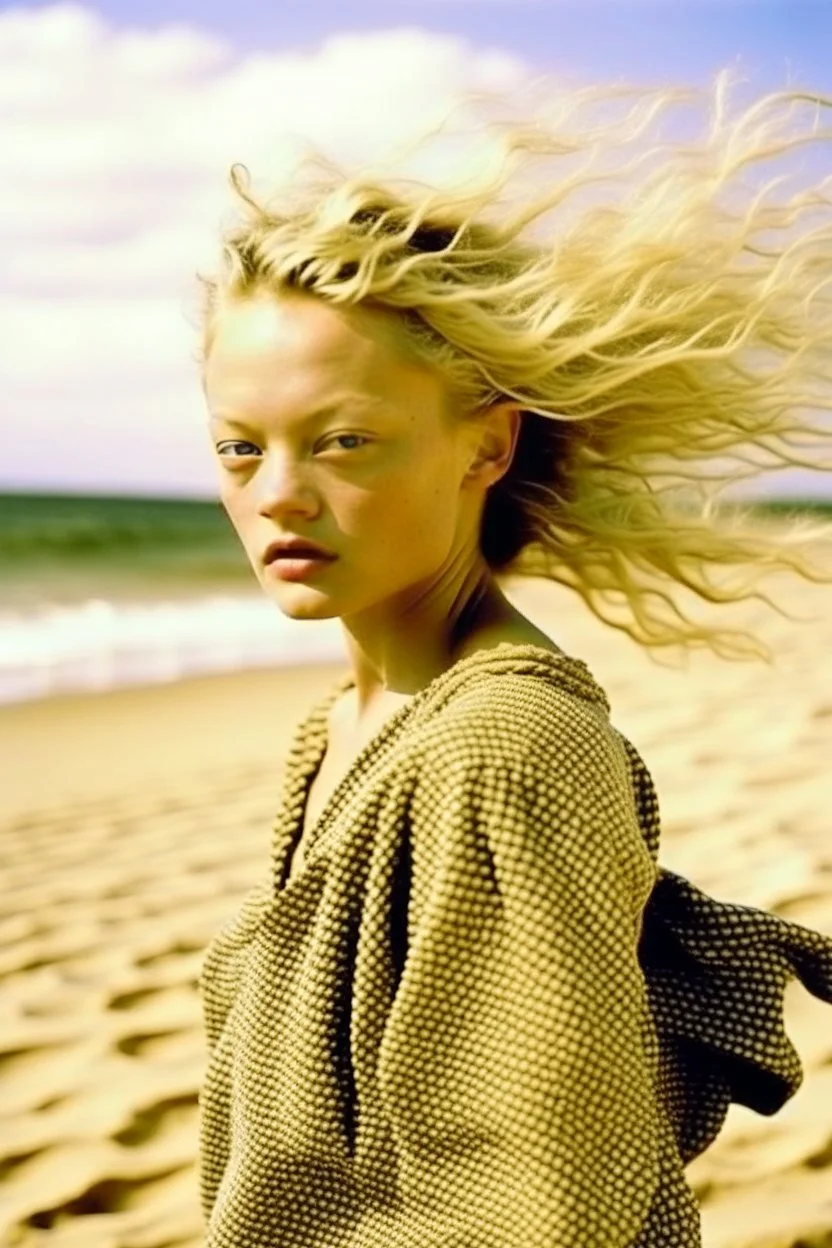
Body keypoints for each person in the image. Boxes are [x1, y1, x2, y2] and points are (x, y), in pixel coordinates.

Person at [192, 68, 832, 1247]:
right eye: (239, 447)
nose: (277, 495)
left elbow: (535, 1206)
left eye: (343, 442)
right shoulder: (343, 726)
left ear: (483, 446)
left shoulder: (506, 751)